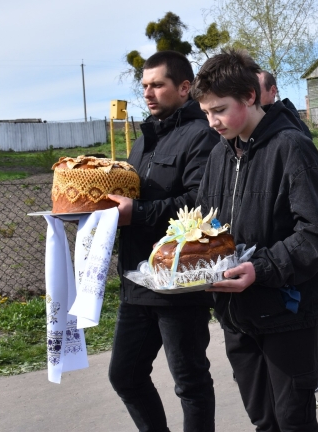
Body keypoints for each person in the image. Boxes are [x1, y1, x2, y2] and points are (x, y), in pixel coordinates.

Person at [192, 49, 318, 432]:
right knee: (263, 422)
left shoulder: (292, 147)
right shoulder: (220, 156)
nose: (212, 122)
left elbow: (317, 235)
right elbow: (206, 226)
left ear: (251, 96)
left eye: (219, 110)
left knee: (293, 422)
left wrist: (259, 270)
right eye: (207, 112)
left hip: (288, 314)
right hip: (236, 315)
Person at [106, 50, 219, 432]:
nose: (148, 93)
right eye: (144, 86)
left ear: (184, 87)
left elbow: (198, 205)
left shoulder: (202, 135)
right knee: (125, 375)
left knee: (189, 381)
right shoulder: (143, 142)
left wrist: (135, 214)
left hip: (179, 281)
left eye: (158, 84)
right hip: (137, 280)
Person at [257, 68, 318, 393]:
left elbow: (314, 227)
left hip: (290, 250)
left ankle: (315, 367)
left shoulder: (290, 131)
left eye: (256, 90)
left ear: (272, 91)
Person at [257, 69, 313, 138]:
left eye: (256, 91)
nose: (251, 98)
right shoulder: (252, 125)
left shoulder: (295, 129)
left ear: (273, 91)